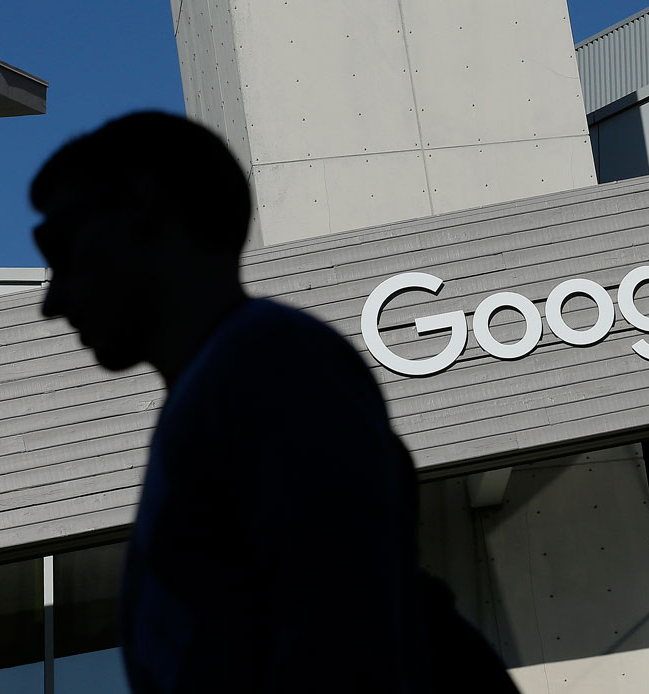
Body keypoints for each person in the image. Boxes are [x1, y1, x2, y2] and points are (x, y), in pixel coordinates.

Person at [30, 111, 519, 693]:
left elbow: (342, 638)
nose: (51, 302)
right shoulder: (238, 379)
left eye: (60, 248)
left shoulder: (268, 362)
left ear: (142, 205)